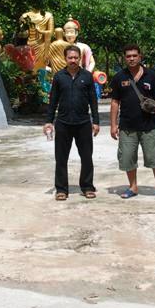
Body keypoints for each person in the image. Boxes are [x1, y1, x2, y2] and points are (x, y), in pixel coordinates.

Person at [109, 44, 155, 200]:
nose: (132, 58)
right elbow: (115, 102)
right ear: (124, 58)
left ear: (140, 56)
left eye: (135, 55)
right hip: (127, 126)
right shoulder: (119, 77)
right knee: (127, 158)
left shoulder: (151, 75)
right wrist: (113, 125)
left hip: (149, 126)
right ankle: (133, 187)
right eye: (128, 56)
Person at [43, 45, 100, 201]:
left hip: (83, 123)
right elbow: (53, 100)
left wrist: (96, 121)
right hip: (63, 123)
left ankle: (87, 187)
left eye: (76, 57)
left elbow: (93, 101)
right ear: (65, 58)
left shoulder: (87, 76)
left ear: (79, 58)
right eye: (70, 58)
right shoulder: (59, 77)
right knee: (61, 158)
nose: (73, 60)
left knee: (87, 157)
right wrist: (49, 121)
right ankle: (61, 189)